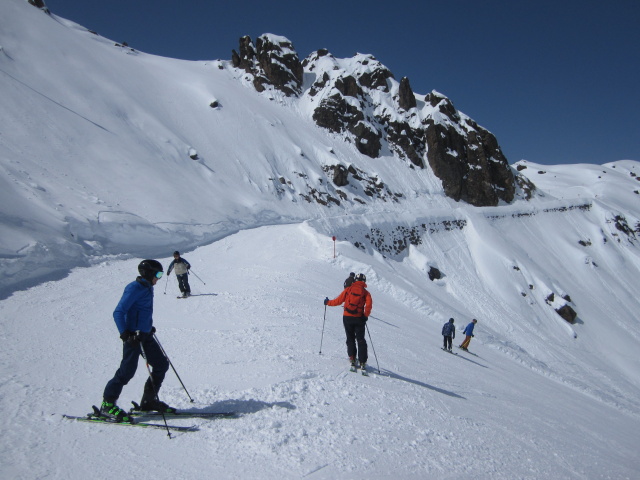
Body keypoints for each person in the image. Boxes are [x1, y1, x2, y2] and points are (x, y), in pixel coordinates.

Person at [100, 259, 174, 423]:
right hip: (133, 338)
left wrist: (148, 327)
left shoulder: (148, 287)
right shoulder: (134, 288)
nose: (159, 278)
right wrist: (126, 334)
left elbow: (141, 311)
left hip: (145, 335)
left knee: (161, 365)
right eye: (158, 274)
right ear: (149, 273)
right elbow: (118, 312)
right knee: (127, 371)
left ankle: (148, 401)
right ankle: (107, 404)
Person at [324, 273, 373, 370]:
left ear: (355, 279)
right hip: (359, 318)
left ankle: (352, 358)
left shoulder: (348, 289)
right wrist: (365, 315)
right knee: (361, 340)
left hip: (347, 317)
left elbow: (338, 301)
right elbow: (369, 305)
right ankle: (362, 361)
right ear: (364, 282)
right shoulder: (366, 293)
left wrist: (327, 302)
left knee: (350, 338)